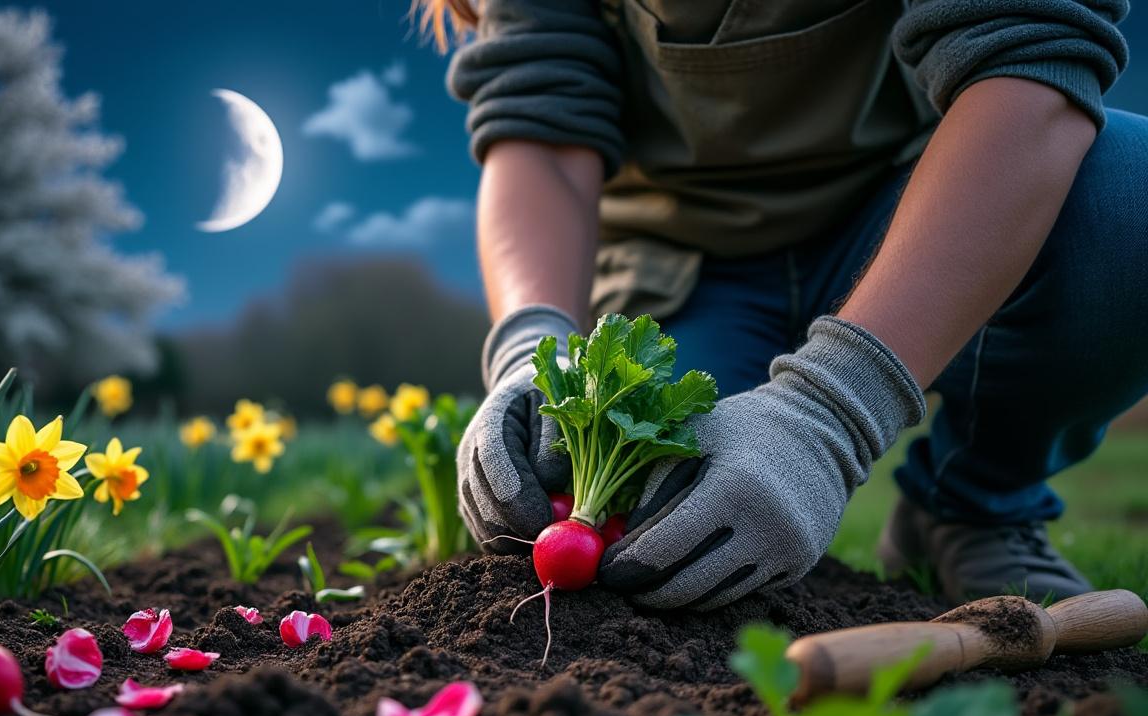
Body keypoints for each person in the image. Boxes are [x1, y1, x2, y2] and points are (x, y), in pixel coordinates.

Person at [439, 0, 1148, 609]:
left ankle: (971, 507)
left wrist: (832, 410)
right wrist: (531, 346)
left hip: (910, 218)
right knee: (661, 529)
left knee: (1126, 205)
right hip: (678, 266)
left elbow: (1028, 65)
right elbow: (541, 116)